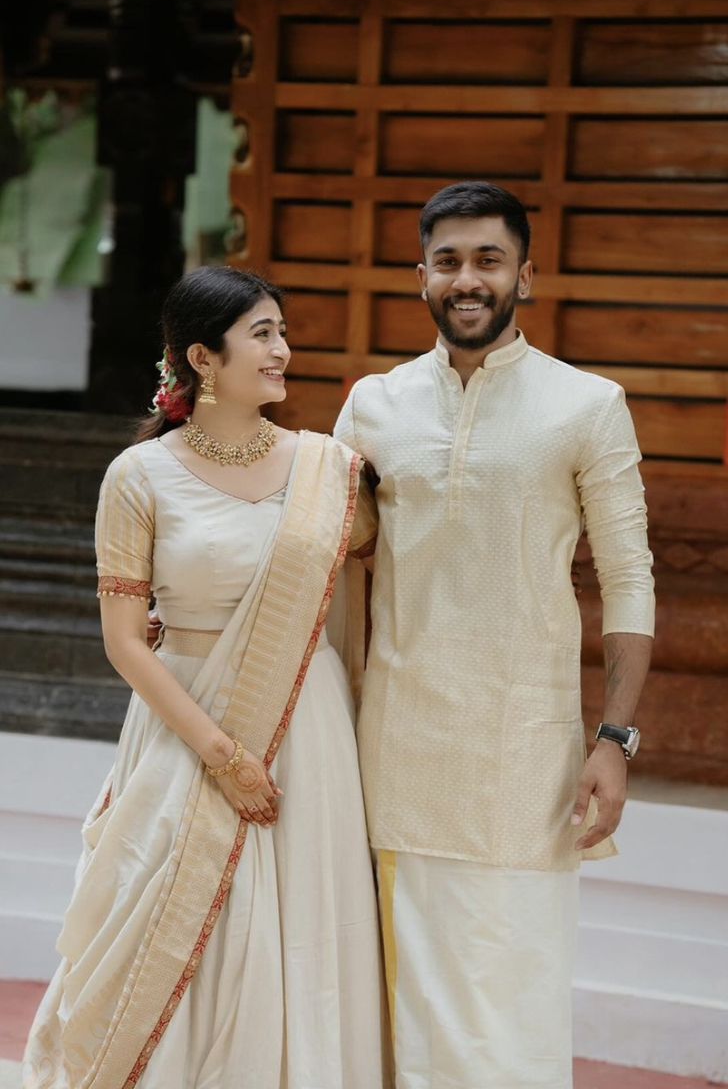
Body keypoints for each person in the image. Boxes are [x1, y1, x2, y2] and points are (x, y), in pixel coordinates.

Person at [23, 267, 387, 1089]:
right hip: (184, 722)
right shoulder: (140, 476)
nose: (282, 350)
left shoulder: (331, 471)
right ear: (201, 356)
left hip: (306, 714)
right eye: (262, 334)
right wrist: (222, 754)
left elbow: (380, 580)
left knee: (298, 922)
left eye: (281, 331)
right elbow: (125, 643)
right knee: (163, 914)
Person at [334, 181, 655, 1089]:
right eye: (448, 261)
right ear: (420, 276)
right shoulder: (374, 403)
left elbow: (629, 577)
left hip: (523, 755)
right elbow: (321, 550)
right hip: (394, 745)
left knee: (509, 993)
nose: (467, 279)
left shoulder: (588, 403)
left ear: (527, 275)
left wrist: (615, 738)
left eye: (488, 260)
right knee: (397, 994)